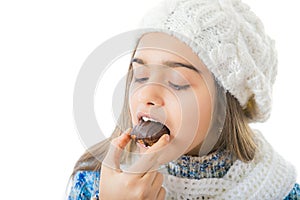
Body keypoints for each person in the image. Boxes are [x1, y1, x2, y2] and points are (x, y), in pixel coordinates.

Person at [67, 0, 300, 199]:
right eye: (140, 76)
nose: (147, 95)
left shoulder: (281, 190)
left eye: (176, 82)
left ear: (225, 104)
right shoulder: (94, 185)